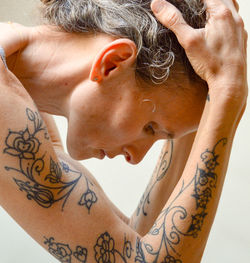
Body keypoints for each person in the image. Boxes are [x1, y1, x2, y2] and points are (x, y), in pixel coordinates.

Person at [0, 0, 247, 262]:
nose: (136, 157)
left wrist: (211, 84)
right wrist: (228, 91)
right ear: (113, 63)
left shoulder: (19, 98)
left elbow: (133, 241)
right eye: (150, 128)